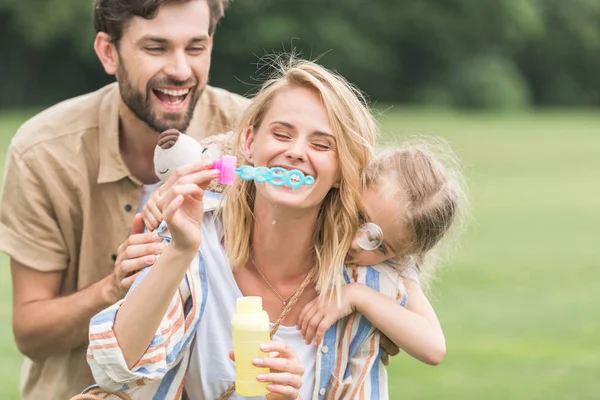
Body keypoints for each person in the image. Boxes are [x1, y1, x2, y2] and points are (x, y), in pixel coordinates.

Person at [86, 58, 435, 400]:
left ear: (344, 168)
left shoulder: (362, 286)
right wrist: (179, 250)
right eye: (282, 134)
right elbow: (115, 372)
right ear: (250, 143)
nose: (296, 152)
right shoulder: (194, 233)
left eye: (321, 144)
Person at [0, 0, 249, 398]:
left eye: (196, 47)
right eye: (156, 48)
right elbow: (31, 333)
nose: (181, 70)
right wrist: (112, 288)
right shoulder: (42, 152)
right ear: (108, 52)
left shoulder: (252, 136)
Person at [297, 142, 469, 365]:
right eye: (360, 217)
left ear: (403, 254)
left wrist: (357, 295)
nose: (356, 243)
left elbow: (434, 348)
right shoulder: (310, 211)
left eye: (380, 247)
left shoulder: (393, 269)